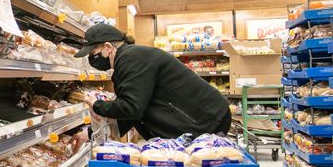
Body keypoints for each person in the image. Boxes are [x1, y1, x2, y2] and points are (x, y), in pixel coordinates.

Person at [75, 24, 231, 140]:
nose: (91, 59)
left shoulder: (131, 59)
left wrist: (97, 104)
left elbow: (131, 108)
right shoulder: (130, 58)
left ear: (108, 47)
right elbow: (135, 112)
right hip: (200, 117)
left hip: (206, 119)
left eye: (93, 53)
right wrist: (90, 134)